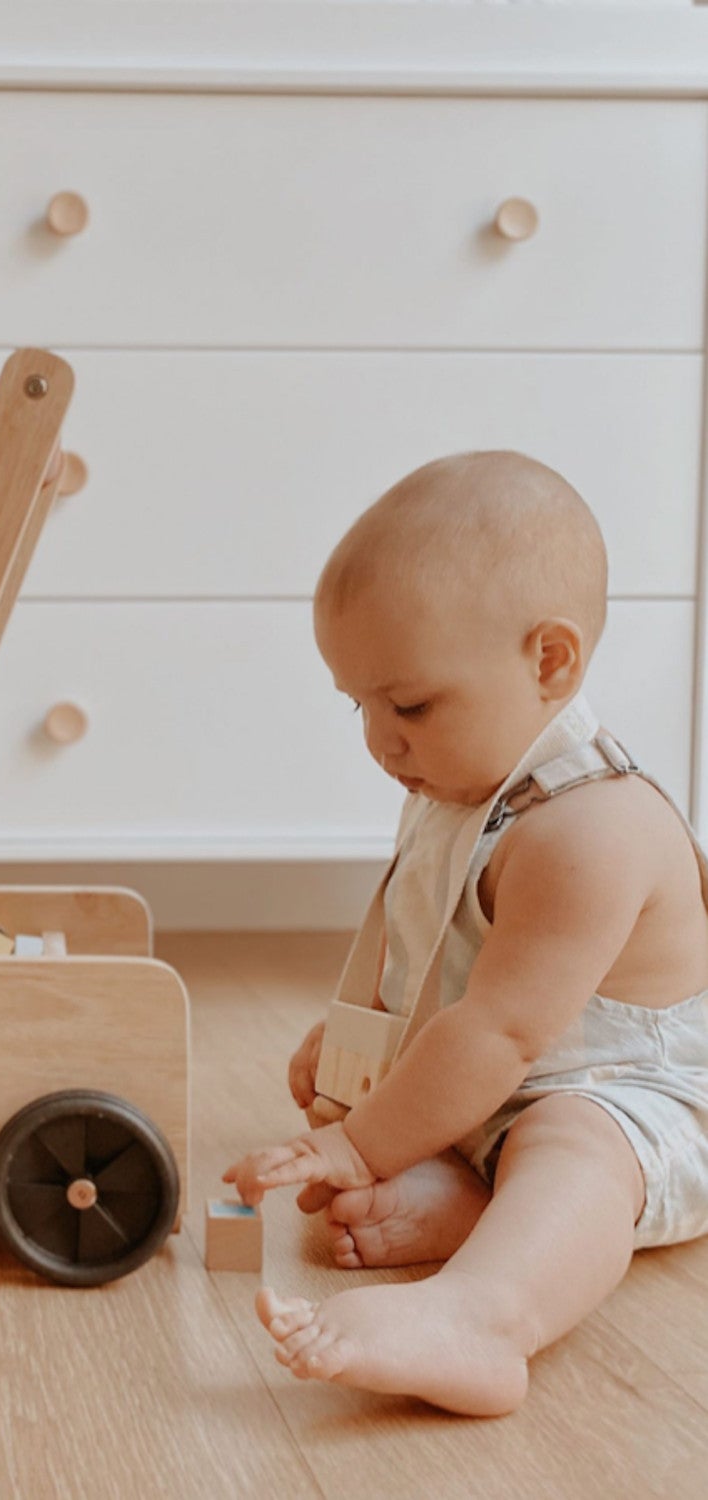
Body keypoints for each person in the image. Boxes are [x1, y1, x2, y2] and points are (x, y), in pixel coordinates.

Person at [219, 450, 708, 1416]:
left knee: (573, 1144)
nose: (379, 740)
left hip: (634, 1103)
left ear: (550, 661)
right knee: (375, 1105)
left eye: (409, 704)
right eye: (358, 705)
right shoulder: (463, 788)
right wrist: (367, 1051)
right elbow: (434, 960)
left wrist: (361, 1145)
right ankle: (479, 1197)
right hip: (507, 1086)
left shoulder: (592, 831)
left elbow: (502, 1034)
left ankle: (488, 1316)